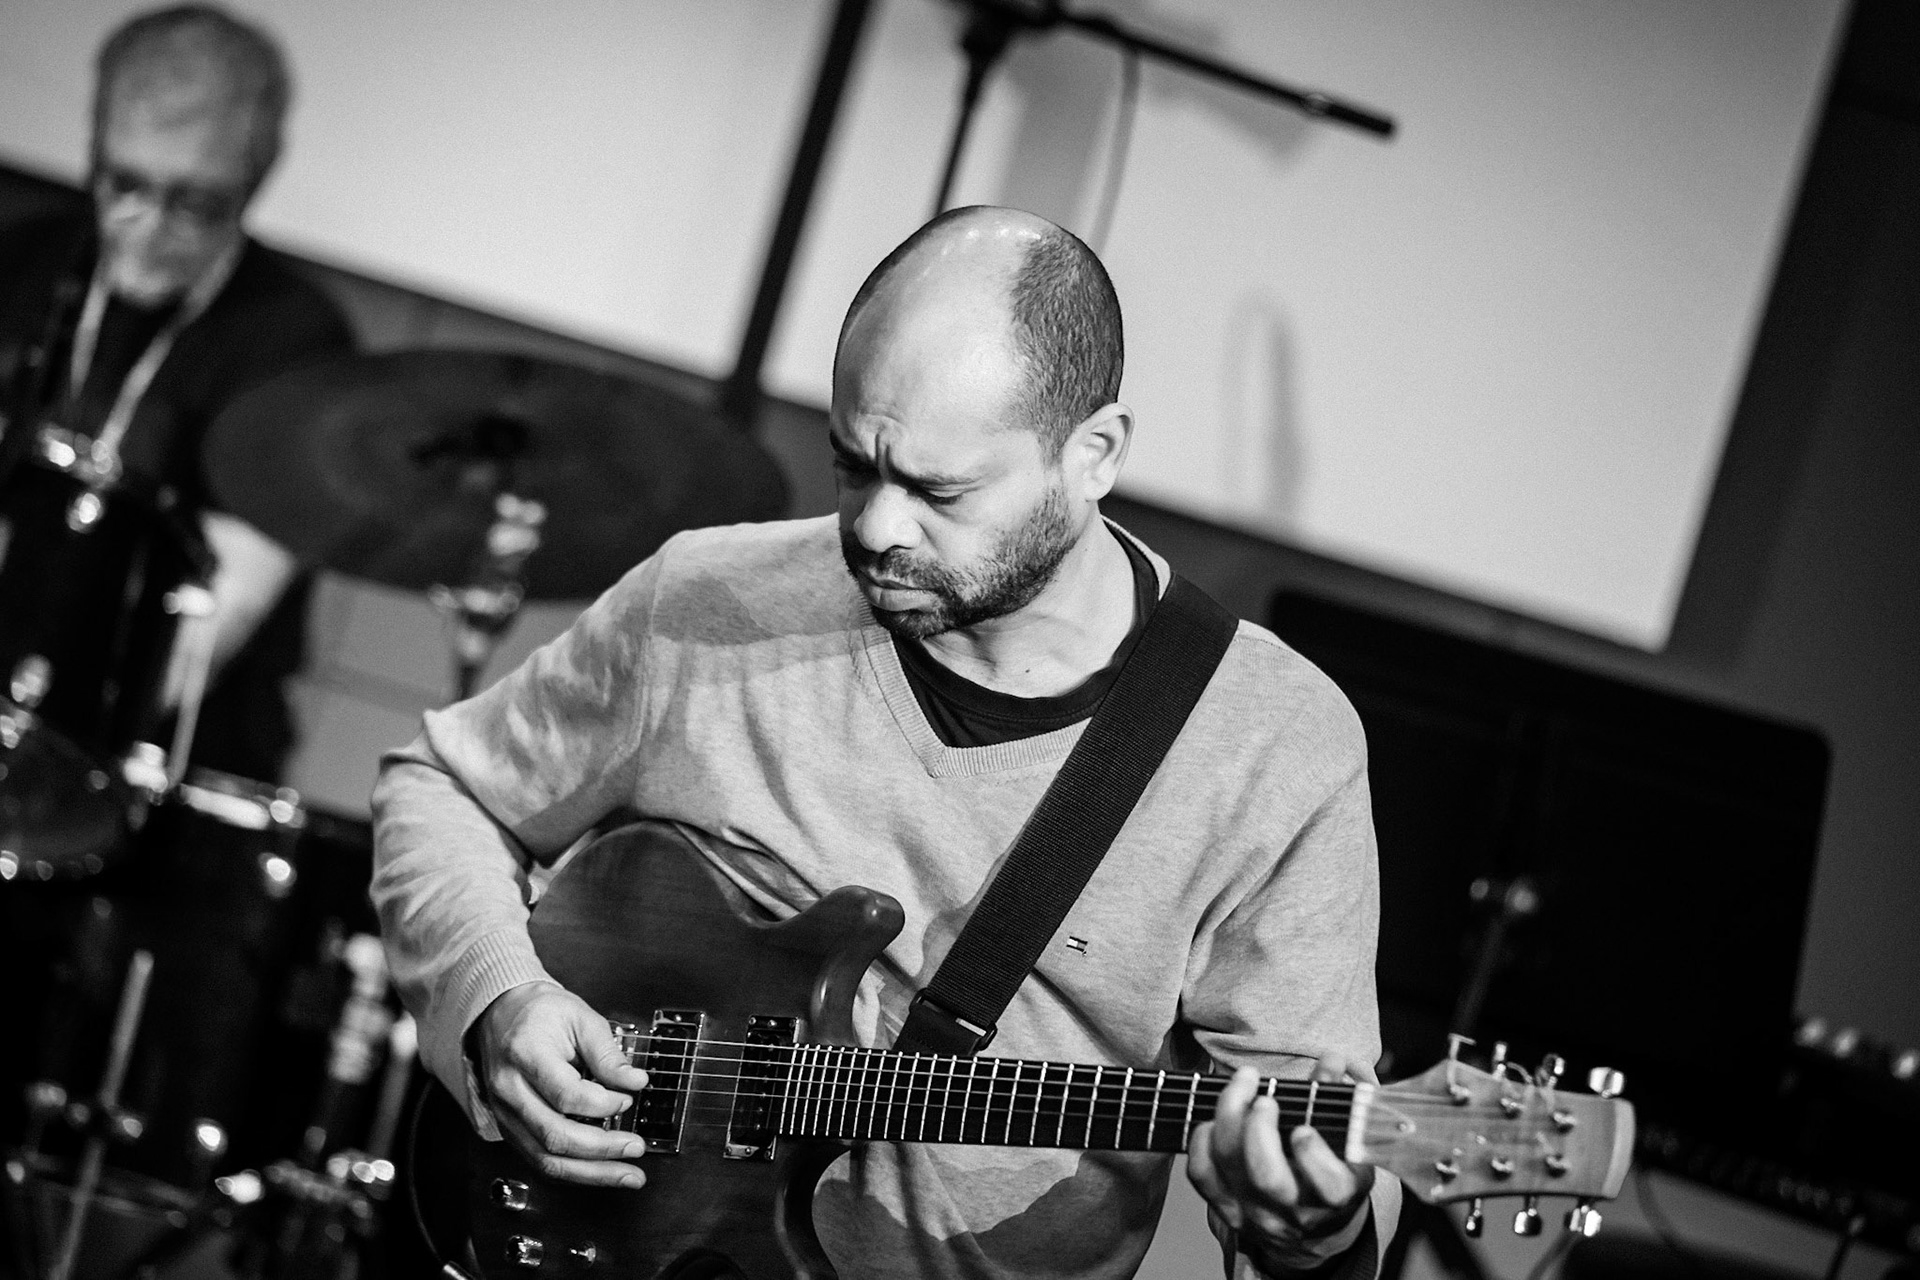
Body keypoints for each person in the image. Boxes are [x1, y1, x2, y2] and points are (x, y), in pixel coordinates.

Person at [371, 206, 1399, 1278]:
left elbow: (1306, 1191)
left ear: (1092, 455)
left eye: (938, 490)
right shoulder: (708, 598)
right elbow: (442, 786)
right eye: (854, 465)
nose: (874, 527)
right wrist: (500, 995)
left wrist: (1308, 1229)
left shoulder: (1277, 744)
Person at [0, 3, 354, 781]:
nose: (149, 226)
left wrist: (40, 747)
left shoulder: (297, 341)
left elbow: (221, 615)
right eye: (124, 183)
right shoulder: (20, 262)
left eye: (196, 203)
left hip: (166, 752)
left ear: (251, 185)